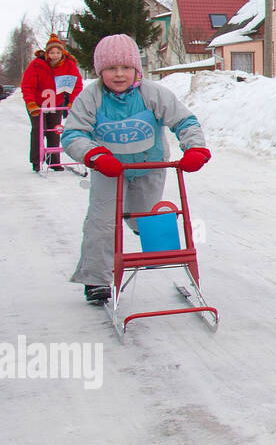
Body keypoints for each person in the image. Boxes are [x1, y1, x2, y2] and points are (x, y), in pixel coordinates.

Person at [60, 34, 210, 304]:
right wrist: (93, 155)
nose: (119, 75)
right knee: (102, 222)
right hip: (108, 168)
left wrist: (195, 148)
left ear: (136, 69)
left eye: (125, 68)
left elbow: (185, 120)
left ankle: (165, 258)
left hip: (149, 167)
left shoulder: (152, 93)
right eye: (111, 69)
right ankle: (96, 279)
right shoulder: (90, 97)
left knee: (146, 218)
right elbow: (73, 134)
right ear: (100, 71)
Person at [21, 34, 83, 172]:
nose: (55, 55)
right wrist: (31, 102)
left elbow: (76, 85)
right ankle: (36, 161)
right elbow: (27, 85)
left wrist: (71, 102)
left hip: (56, 103)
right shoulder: (37, 64)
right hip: (37, 104)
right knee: (39, 129)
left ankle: (54, 161)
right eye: (52, 52)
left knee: (55, 130)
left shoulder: (68, 65)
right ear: (47, 53)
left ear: (62, 53)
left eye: (58, 52)